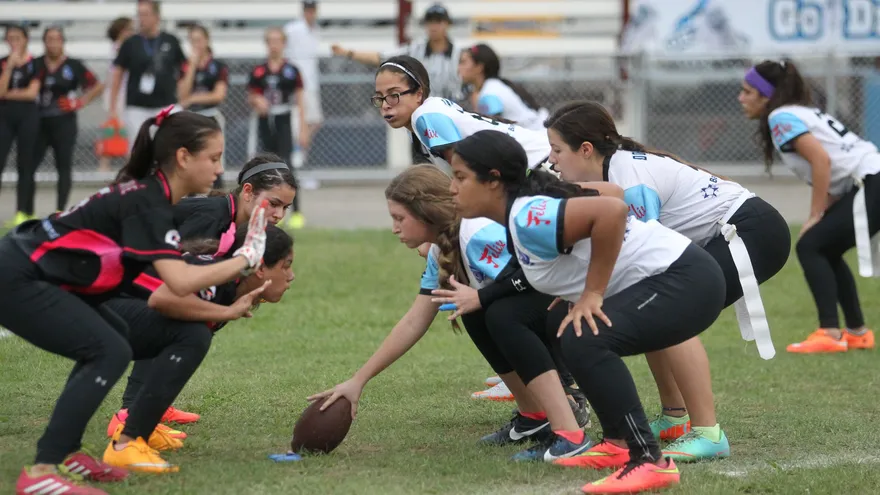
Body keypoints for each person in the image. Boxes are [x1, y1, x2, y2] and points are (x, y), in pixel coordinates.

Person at [1, 107, 268, 495]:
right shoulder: (149, 202)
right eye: (213, 158)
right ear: (182, 157)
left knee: (117, 336)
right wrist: (245, 259)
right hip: (17, 276)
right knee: (107, 349)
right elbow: (178, 282)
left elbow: (159, 283)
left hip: (34, 274)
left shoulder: (153, 198)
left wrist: (227, 299)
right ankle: (41, 472)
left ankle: (68, 451)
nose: (218, 169)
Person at [450, 130, 727, 494]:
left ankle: (649, 460)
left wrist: (592, 291)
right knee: (564, 325)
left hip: (687, 279)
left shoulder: (527, 216)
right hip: (677, 276)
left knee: (586, 336)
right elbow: (611, 193)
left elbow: (612, 210)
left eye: (460, 177)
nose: (452, 188)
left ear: (493, 181)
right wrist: (573, 284)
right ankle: (617, 443)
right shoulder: (524, 210)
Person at [543, 100, 791, 462]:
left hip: (753, 231)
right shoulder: (611, 170)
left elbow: (644, 257)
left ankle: (708, 434)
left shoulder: (628, 178)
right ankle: (674, 416)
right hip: (737, 230)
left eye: (557, 150)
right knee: (647, 305)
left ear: (585, 150)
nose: (552, 161)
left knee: (670, 308)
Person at [309, 165, 591, 462]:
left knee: (499, 313)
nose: (394, 229)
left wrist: (483, 296)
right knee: (474, 311)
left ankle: (569, 427)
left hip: (576, 301)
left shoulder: (476, 233)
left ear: (426, 211)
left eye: (399, 218)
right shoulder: (441, 250)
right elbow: (414, 321)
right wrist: (358, 380)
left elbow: (536, 277)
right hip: (546, 304)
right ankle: (535, 416)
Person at [372, 55, 583, 402]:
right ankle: (537, 373)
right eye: (380, 98)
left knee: (517, 283)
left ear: (419, 92)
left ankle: (551, 378)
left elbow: (465, 171)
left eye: (394, 95)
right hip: (530, 171)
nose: (386, 105)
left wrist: (449, 228)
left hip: (537, 172)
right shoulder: (429, 116)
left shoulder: (426, 117)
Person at [104, 153, 297, 437]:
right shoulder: (211, 218)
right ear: (247, 192)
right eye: (275, 204)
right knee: (175, 319)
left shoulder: (236, 226)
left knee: (198, 315)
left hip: (135, 277)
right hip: (114, 270)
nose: (279, 215)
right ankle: (132, 411)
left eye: (287, 207)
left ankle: (154, 404)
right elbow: (168, 283)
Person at [102, 224, 295, 473]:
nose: (291, 276)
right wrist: (227, 312)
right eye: (286, 265)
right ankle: (126, 443)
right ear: (259, 268)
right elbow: (163, 299)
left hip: (108, 311)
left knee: (188, 332)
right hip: (90, 309)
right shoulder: (219, 278)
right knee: (193, 335)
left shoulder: (231, 284)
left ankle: (137, 429)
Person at [740, 59, 880, 353]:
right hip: (869, 179)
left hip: (872, 181)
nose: (741, 98)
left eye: (747, 91)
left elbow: (821, 161)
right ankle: (857, 332)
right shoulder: (799, 111)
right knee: (824, 247)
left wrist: (815, 215)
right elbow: (833, 167)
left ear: (766, 95)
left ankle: (830, 333)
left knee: (811, 245)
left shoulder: (780, 117)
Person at [32, 26, 104, 217]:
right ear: (44, 42)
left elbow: (96, 86)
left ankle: (60, 210)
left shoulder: (73, 65)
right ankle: (26, 210)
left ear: (63, 41)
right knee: (28, 166)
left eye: (57, 39)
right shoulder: (36, 64)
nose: (53, 43)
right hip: (38, 122)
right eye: (49, 39)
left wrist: (80, 101)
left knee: (63, 166)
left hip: (64, 122)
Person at [333, 3, 463, 102]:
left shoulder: (459, 54)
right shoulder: (415, 49)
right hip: (423, 111)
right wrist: (348, 53)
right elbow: (381, 58)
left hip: (452, 110)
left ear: (447, 24)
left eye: (438, 21)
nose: (434, 26)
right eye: (430, 22)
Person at [248, 27, 308, 229]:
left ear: (283, 44)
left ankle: (296, 211)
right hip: (265, 120)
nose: (274, 45)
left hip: (284, 117)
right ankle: (268, 209)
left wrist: (303, 127)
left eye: (278, 41)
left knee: (288, 165)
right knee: (266, 165)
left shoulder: (291, 71)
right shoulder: (259, 71)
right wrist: (258, 101)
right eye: (270, 41)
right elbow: (251, 95)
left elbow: (300, 100)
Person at [109, 0, 186, 153]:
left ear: (157, 17)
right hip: (137, 107)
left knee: (171, 149)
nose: (141, 19)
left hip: (166, 105)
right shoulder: (131, 43)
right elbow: (117, 73)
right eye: (139, 14)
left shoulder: (170, 40)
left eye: (145, 14)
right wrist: (113, 107)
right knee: (139, 152)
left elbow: (184, 69)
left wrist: (183, 95)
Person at [0, 24, 41, 227]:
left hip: (28, 116)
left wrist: (9, 94)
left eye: (18, 38)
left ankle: (24, 211)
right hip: (5, 116)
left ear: (26, 39)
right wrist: (8, 68)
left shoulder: (35, 64)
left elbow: (32, 93)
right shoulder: (3, 63)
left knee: (25, 165)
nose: (14, 42)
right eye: (10, 38)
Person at [178, 24, 228, 188]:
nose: (196, 44)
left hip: (210, 116)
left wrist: (194, 98)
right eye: (192, 41)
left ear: (206, 41)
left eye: (199, 40)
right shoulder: (185, 66)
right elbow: (182, 95)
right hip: (191, 119)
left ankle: (218, 202)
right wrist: (192, 66)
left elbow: (218, 95)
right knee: (191, 162)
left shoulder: (217, 66)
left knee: (213, 160)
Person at [457, 44, 548, 131]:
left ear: (479, 67)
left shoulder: (489, 93)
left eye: (463, 62)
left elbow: (490, 129)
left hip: (537, 137)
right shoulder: (495, 85)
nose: (458, 68)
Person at [284, 0, 323, 168]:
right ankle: (297, 159)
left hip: (311, 83)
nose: (310, 13)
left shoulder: (315, 29)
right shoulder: (293, 29)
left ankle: (299, 155)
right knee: (299, 122)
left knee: (314, 121)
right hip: (298, 83)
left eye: (312, 10)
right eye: (308, 9)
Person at [99, 16, 134, 173]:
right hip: (117, 95)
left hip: (126, 94)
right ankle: (104, 165)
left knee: (126, 132)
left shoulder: (125, 48)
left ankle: (129, 164)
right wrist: (113, 104)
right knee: (112, 131)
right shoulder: (117, 49)